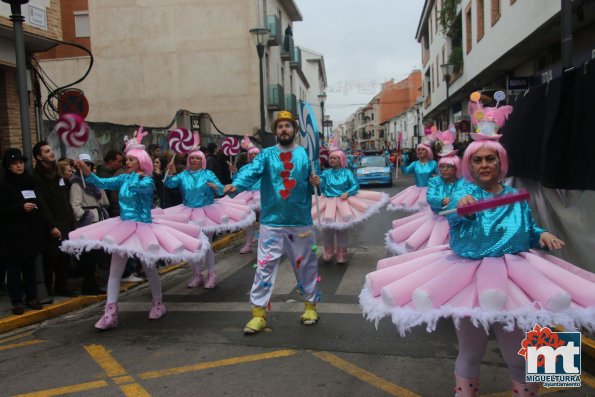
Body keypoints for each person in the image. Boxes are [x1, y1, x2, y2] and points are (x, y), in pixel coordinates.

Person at [359, 94, 594, 396]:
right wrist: (462, 206)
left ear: (501, 162)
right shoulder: (462, 193)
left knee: (519, 355)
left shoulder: (515, 196)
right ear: (469, 164)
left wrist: (541, 235)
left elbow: (526, 228)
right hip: (469, 276)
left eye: (490, 159)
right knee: (470, 352)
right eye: (477, 160)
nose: (484, 165)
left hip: (516, 277)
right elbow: (454, 219)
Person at [62, 128, 210, 330]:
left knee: (149, 270)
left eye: (131, 159)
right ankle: (110, 313)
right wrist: (87, 172)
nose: (127, 162)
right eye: (127, 159)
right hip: (123, 227)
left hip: (143, 229)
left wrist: (134, 179)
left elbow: (143, 189)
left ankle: (158, 304)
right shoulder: (124, 177)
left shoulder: (146, 180)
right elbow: (102, 182)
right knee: (115, 272)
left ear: (141, 160)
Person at [224, 110, 322, 334]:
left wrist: (318, 180)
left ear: (295, 130)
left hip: (300, 221)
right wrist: (236, 185)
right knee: (264, 267)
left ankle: (310, 306)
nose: (283, 130)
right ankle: (258, 314)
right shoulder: (266, 155)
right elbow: (252, 172)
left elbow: (319, 182)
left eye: (287, 126)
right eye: (280, 127)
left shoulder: (306, 156)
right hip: (271, 222)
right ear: (276, 131)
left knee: (306, 266)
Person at [164, 133, 255, 288]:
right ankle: (197, 275)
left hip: (207, 213)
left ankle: (211, 275)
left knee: (206, 244)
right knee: (194, 245)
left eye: (197, 158)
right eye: (192, 158)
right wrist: (170, 172)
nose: (194, 160)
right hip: (187, 212)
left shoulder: (208, 173)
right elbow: (170, 184)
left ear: (202, 160)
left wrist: (216, 187)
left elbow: (221, 191)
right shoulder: (183, 175)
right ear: (188, 160)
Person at [386, 128, 467, 254]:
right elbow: (407, 172)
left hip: (456, 219)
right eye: (443, 167)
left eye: (449, 166)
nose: (445, 169)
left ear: (456, 168)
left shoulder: (437, 167)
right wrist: (401, 162)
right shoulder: (422, 170)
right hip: (422, 194)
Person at [315, 141, 389, 264]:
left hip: (343, 203)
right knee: (327, 228)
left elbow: (355, 185)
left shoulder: (347, 172)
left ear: (341, 160)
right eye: (331, 158)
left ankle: (341, 253)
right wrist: (317, 181)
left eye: (335, 158)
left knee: (342, 229)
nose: (332, 160)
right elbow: (321, 185)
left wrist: (347, 193)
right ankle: (328, 252)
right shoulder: (326, 173)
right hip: (327, 202)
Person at [0, 149, 44, 315]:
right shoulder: (4, 185)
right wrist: (20, 208)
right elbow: (3, 210)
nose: (19, 166)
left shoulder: (29, 181)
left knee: (29, 268)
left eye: (20, 163)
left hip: (29, 233)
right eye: (14, 163)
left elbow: (37, 201)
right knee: (13, 271)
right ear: (8, 166)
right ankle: (17, 301)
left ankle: (31, 297)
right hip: (11, 236)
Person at [32, 141, 76, 297]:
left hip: (64, 221)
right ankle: (47, 288)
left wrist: (69, 217)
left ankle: (62, 286)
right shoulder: (37, 176)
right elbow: (42, 204)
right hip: (50, 223)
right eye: (46, 151)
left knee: (63, 256)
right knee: (50, 257)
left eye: (51, 150)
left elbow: (64, 196)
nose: (51, 153)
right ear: (39, 156)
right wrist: (51, 225)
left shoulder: (58, 174)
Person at [70, 154, 110, 295]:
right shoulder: (76, 183)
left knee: (97, 253)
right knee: (89, 254)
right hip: (87, 222)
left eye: (88, 164)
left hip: (98, 219)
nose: (86, 167)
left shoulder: (94, 182)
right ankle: (89, 284)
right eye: (83, 164)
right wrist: (85, 217)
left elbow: (104, 201)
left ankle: (94, 281)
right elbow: (75, 205)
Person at [226, 136, 262, 254]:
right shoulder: (245, 168)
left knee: (264, 222)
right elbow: (239, 181)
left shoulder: (263, 167)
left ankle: (265, 245)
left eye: (255, 154)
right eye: (251, 154)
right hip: (247, 197)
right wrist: (234, 172)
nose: (253, 156)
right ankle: (248, 244)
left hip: (261, 195)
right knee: (249, 222)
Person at [387, 136, 438, 212]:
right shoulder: (414, 164)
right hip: (417, 191)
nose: (420, 151)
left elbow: (440, 176)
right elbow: (405, 172)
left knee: (430, 211)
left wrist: (435, 179)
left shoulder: (433, 163)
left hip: (431, 191)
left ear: (428, 151)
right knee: (418, 212)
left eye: (423, 149)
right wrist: (401, 162)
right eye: (418, 150)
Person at [96, 150, 124, 217]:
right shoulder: (103, 176)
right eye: (119, 162)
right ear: (111, 161)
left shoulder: (112, 174)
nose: (121, 164)